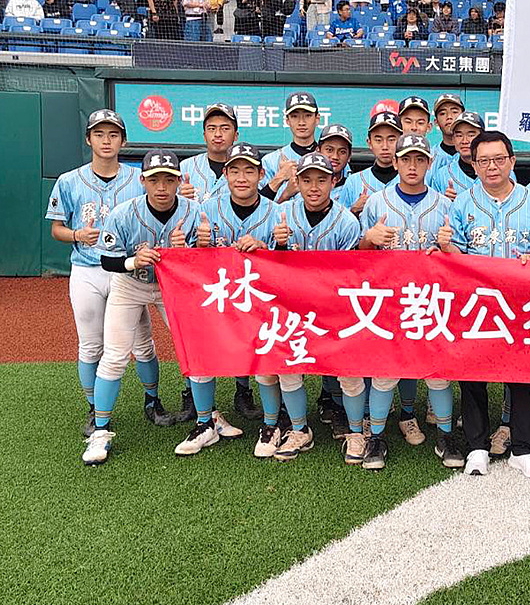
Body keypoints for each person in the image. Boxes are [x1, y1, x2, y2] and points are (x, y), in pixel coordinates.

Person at [47, 110, 172, 439]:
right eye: (99, 134)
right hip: (87, 270)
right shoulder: (69, 181)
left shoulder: (140, 179)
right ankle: (95, 409)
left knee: (143, 343)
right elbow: (56, 229)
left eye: (113, 134)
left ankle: (152, 401)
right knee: (91, 346)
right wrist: (77, 235)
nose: (106, 140)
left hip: (128, 273)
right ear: (88, 139)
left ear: (123, 141)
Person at [437, 130, 530, 479]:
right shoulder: (463, 203)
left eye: (499, 159)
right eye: (483, 161)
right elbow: (456, 254)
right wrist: (446, 246)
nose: (492, 167)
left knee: (522, 374)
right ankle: (477, 447)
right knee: (473, 376)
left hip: (520, 300)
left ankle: (523, 449)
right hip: (477, 302)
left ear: (512, 161)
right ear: (473, 165)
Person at [81, 149, 202, 465]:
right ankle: (100, 431)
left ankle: (197, 414)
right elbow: (107, 260)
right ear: (143, 181)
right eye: (154, 179)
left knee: (193, 348)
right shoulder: (124, 213)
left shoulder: (193, 211)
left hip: (173, 287)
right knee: (115, 355)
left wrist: (188, 250)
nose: (162, 187)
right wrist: (134, 260)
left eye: (169, 180)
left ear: (178, 181)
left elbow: (207, 258)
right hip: (130, 285)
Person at [356, 134, 463, 468]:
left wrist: (448, 248)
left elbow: (459, 259)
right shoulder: (377, 203)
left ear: (429, 163)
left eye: (419, 159)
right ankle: (375, 439)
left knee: (438, 373)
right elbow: (359, 259)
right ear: (396, 162)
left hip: (431, 300)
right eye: (406, 159)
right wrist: (368, 239)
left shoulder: (445, 206)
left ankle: (445, 436)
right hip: (388, 300)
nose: (412, 166)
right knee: (384, 372)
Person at [176, 142, 283, 457]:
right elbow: (188, 259)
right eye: (235, 170)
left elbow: (289, 265)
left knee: (266, 363)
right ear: (225, 174)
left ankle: (271, 424)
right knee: (202, 357)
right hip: (219, 299)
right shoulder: (206, 210)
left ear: (261, 175)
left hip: (260, 301)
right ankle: (205, 423)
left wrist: (268, 248)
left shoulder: (278, 212)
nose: (241, 177)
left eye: (249, 171)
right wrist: (196, 245)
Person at [278, 151, 361, 450]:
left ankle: (356, 433)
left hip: (333, 310)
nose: (314, 187)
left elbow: (350, 275)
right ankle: (299, 429)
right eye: (307, 180)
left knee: (348, 373)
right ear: (297, 182)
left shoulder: (347, 222)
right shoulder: (282, 215)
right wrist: (277, 245)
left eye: (321, 180)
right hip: (291, 308)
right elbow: (267, 266)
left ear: (334, 181)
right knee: (288, 369)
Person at [338, 110, 403, 214]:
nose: (385, 146)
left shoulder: (412, 180)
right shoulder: (353, 181)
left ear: (401, 141)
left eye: (391, 139)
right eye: (378, 140)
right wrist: (353, 210)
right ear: (369, 143)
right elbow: (338, 220)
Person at [261, 92, 321, 203]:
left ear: (317, 119)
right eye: (294, 116)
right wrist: (280, 178)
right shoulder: (270, 161)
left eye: (307, 115)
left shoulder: (330, 159)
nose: (301, 122)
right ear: (287, 120)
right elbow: (256, 207)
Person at [428, 111, 485, 200]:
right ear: (453, 139)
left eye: (471, 135)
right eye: (459, 135)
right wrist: (444, 202)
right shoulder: (441, 175)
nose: (464, 141)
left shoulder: (498, 170)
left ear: (483, 137)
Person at [431, 93, 464, 175]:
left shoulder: (476, 155)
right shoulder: (430, 157)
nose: (449, 116)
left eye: (454, 112)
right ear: (436, 122)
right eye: (443, 113)